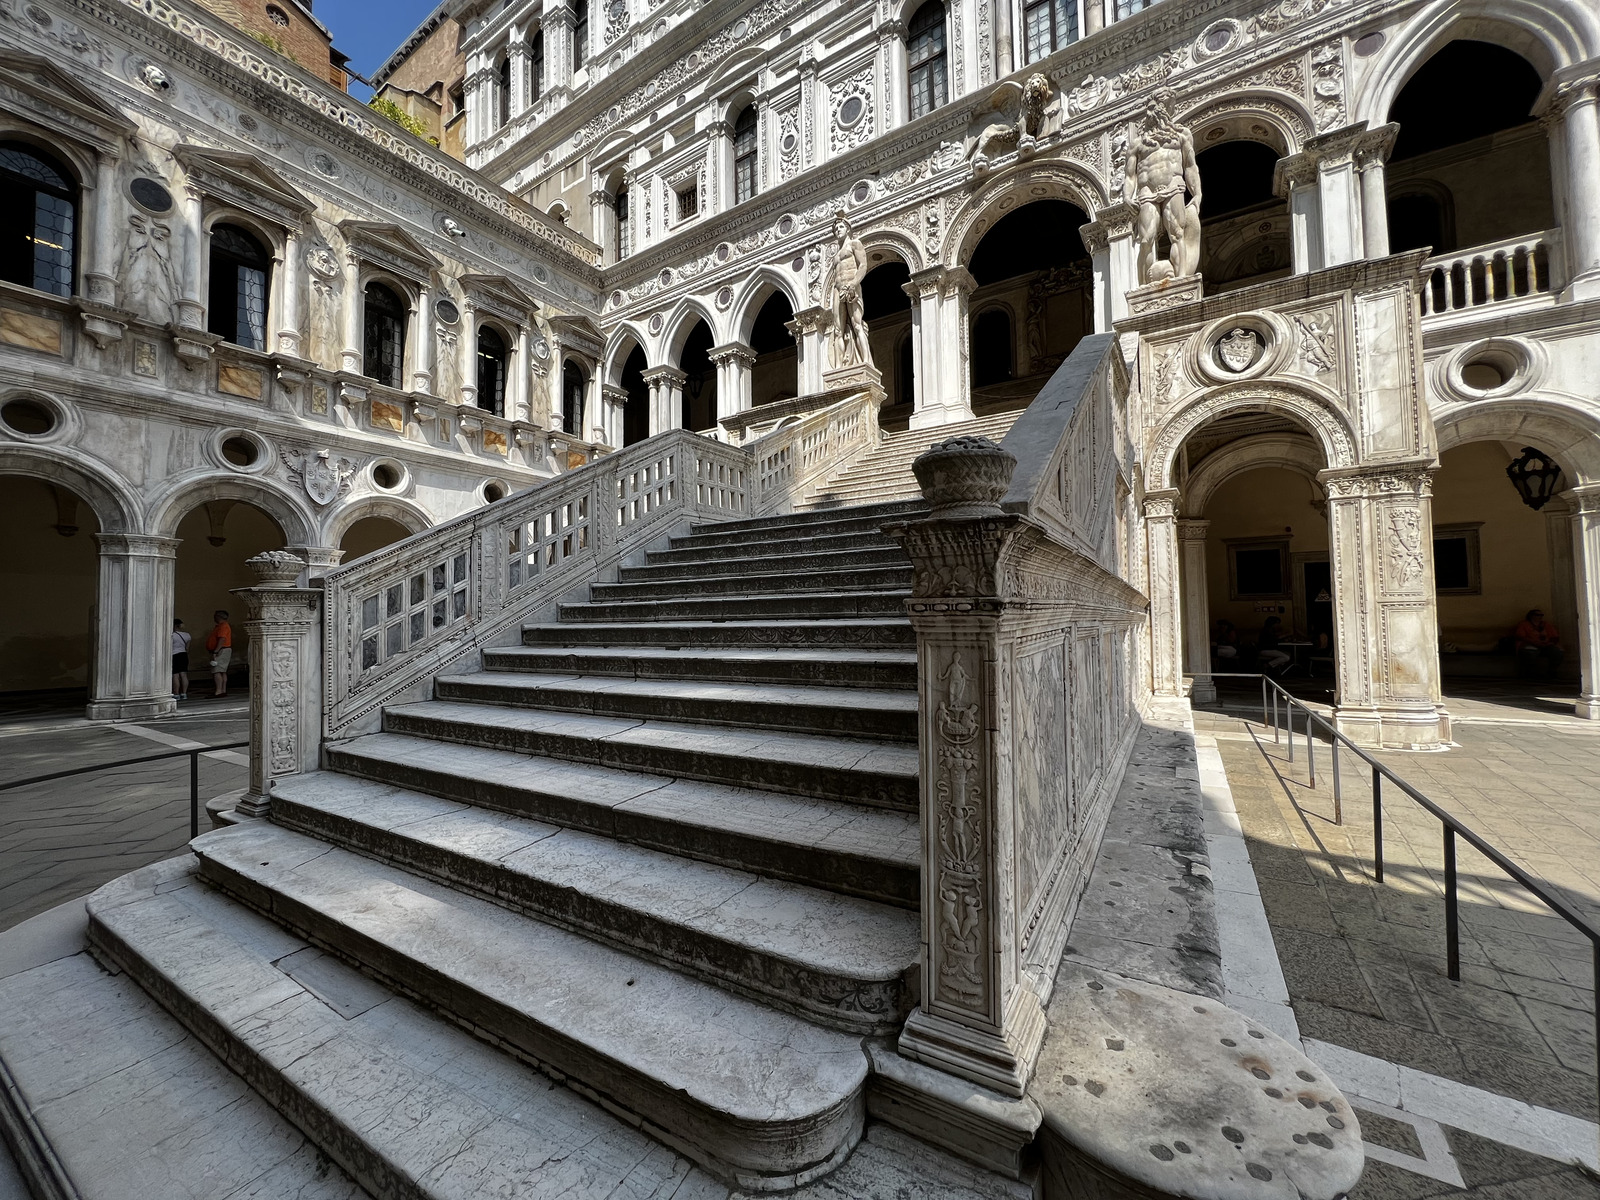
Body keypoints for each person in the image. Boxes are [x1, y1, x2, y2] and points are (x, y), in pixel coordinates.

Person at [1513, 608, 1563, 678]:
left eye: (1541, 615)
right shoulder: (1524, 624)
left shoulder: (1546, 624)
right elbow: (1520, 636)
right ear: (1531, 616)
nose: (1540, 616)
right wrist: (1534, 643)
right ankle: (1530, 674)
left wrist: (1550, 643)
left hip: (1545, 645)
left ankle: (1552, 672)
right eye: (1537, 615)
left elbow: (1555, 636)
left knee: (1557, 653)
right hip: (1530, 645)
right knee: (1530, 654)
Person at [206, 609, 233, 698]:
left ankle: (218, 691)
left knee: (217, 670)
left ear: (218, 617)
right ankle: (223, 690)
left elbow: (222, 639)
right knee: (222, 671)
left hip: (222, 650)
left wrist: (216, 651)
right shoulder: (221, 626)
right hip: (223, 649)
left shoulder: (223, 626)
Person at [171, 618, 191, 700]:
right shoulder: (187, 635)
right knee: (184, 675)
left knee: (175, 675)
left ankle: (176, 693)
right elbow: (187, 648)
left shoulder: (172, 635)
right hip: (184, 655)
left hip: (174, 655)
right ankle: (184, 693)